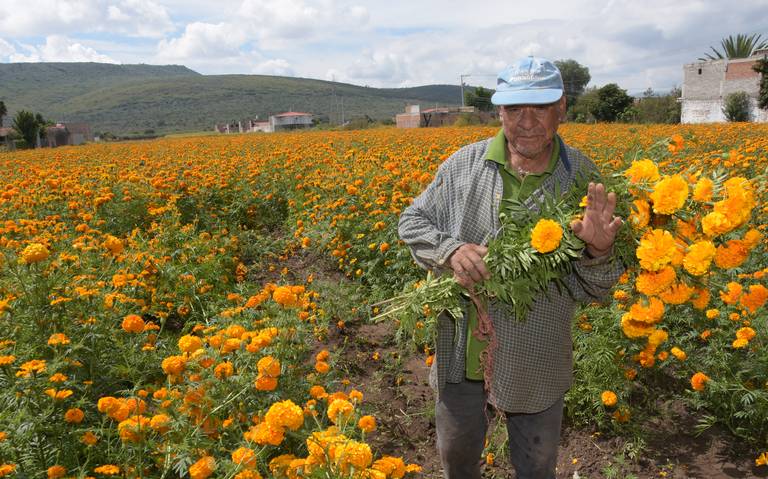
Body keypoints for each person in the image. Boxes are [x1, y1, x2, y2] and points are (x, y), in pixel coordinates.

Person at [398, 57, 624, 479]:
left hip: (536, 356)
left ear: (562, 110)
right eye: (515, 109)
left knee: (536, 467)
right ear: (498, 111)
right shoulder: (465, 164)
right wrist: (449, 251)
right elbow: (412, 221)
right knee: (457, 460)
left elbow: (596, 289)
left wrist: (598, 254)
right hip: (461, 351)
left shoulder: (583, 179)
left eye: (540, 108)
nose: (526, 122)